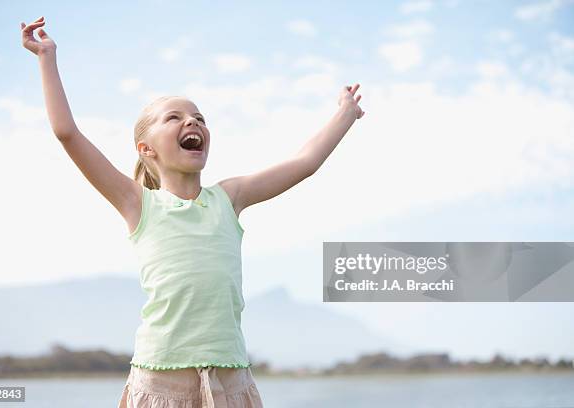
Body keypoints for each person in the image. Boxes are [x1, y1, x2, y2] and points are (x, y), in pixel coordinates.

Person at [21, 16, 365, 408]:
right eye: (175, 117)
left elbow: (305, 162)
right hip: (161, 380)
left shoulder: (230, 197)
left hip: (230, 378)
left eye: (200, 118)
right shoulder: (138, 203)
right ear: (146, 149)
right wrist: (46, 57)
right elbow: (67, 133)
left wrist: (345, 114)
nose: (193, 122)